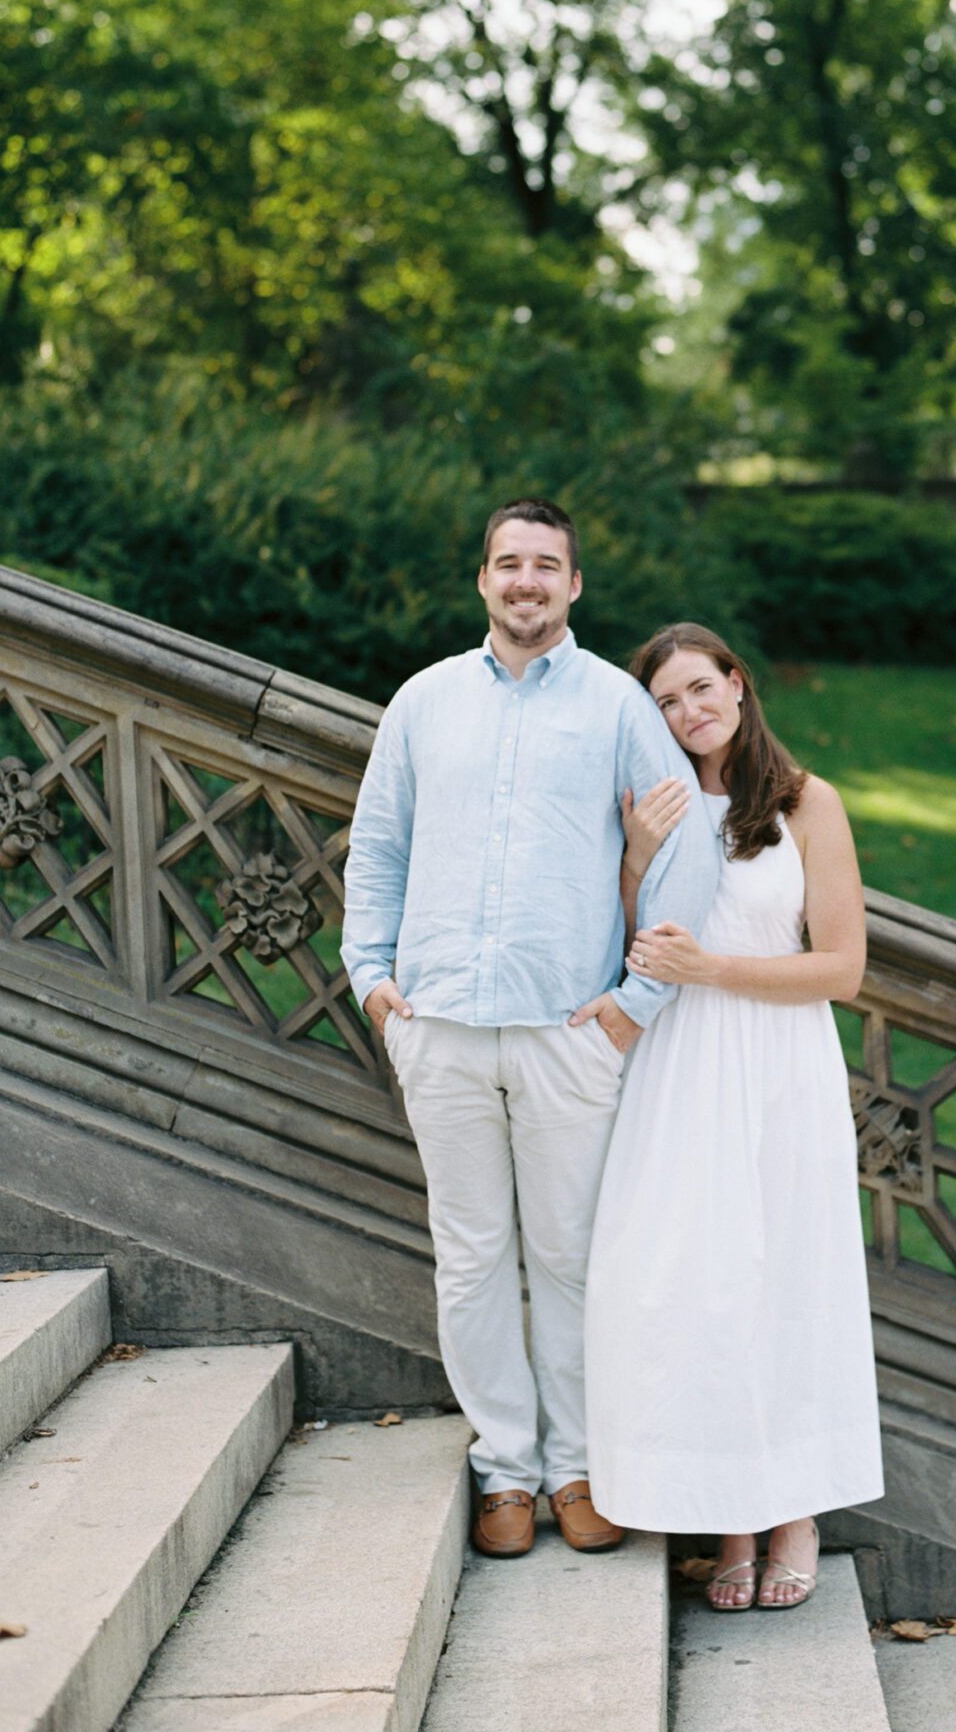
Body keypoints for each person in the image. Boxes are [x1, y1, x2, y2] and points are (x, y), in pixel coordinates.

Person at [340, 502, 719, 1561]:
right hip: (442, 1027)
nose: (526, 580)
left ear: (573, 585)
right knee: (470, 1258)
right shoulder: (423, 702)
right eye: (509, 562)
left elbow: (687, 852)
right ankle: (504, 1469)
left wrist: (633, 1005)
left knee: (568, 1259)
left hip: (568, 1033)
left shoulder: (617, 705)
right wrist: (372, 980)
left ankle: (577, 1467)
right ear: (483, 579)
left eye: (546, 565)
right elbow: (377, 847)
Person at [584, 622, 883, 1610]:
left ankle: (793, 1513)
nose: (689, 712)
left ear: (738, 684)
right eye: (667, 702)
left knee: (787, 1280)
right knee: (694, 1287)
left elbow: (842, 967)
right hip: (678, 1066)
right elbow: (630, 943)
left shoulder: (806, 803)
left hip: (779, 1064)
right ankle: (730, 1521)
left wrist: (713, 968)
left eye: (700, 689)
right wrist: (636, 858)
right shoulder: (654, 803)